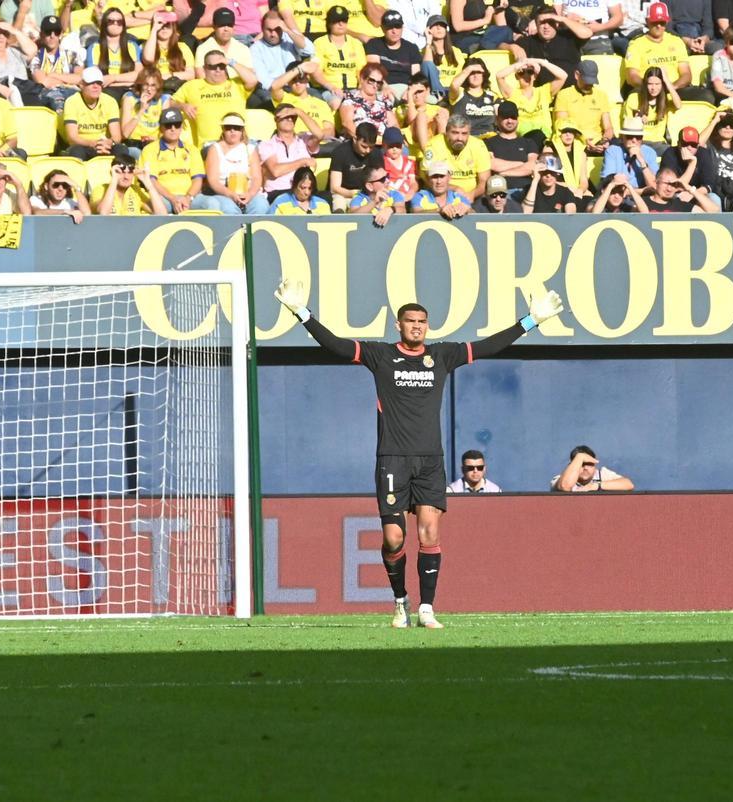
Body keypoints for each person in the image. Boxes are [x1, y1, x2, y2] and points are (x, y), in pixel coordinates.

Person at [271, 277, 566, 629]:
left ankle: (426, 608)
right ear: (399, 325)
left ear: (428, 325)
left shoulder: (441, 355)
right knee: (394, 537)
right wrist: (301, 312)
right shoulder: (381, 355)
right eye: (410, 321)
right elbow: (334, 345)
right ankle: (400, 601)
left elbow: (488, 347)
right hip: (393, 459)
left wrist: (530, 321)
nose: (417, 326)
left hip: (430, 461)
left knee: (430, 533)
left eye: (422, 322)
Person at [174, 51, 257, 147]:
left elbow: (253, 80)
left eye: (221, 66)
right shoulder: (192, 86)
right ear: (204, 68)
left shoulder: (236, 84)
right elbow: (170, 102)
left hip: (239, 143)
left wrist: (231, 62)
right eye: (213, 67)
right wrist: (182, 106)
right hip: (209, 144)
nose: (218, 69)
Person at [139, 107, 215, 212]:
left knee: (212, 204)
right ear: (161, 128)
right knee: (159, 207)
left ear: (181, 127)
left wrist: (188, 198)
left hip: (189, 197)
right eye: (168, 125)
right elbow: (152, 180)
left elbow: (197, 179)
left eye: (177, 124)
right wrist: (173, 199)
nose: (173, 128)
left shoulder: (192, 150)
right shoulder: (149, 150)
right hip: (164, 197)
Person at [623, 2, 702, 100]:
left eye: (662, 22)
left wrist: (671, 87)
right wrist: (652, 87)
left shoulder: (676, 41)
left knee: (706, 96)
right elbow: (632, 76)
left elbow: (686, 74)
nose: (659, 26)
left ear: (667, 22)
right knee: (634, 98)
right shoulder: (636, 44)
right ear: (647, 21)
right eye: (655, 22)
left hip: (674, 88)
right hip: (648, 90)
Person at [506, 7, 592, 89]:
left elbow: (587, 33)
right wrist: (512, 47)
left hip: (570, 93)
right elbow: (499, 45)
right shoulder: (528, 41)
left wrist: (563, 19)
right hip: (541, 95)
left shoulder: (568, 36)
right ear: (536, 24)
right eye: (542, 22)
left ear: (557, 23)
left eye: (551, 22)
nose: (546, 26)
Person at [203, 112, 269, 213]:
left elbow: (256, 178)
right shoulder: (215, 149)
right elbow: (213, 180)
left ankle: (254, 228)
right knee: (229, 208)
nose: (232, 131)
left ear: (242, 130)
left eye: (237, 128)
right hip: (223, 194)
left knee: (261, 205)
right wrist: (230, 194)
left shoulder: (250, 149)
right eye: (228, 127)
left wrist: (250, 194)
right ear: (223, 130)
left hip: (248, 193)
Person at [250, 9, 315, 107]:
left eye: (277, 29)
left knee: (318, 98)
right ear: (262, 29)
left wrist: (288, 30)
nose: (273, 34)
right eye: (269, 30)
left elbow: (309, 50)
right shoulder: (255, 49)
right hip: (273, 90)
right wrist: (283, 90)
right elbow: (265, 81)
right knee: (272, 101)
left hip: (297, 85)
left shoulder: (290, 38)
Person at [64, 67, 129, 160]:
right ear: (81, 85)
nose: (96, 86)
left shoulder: (110, 101)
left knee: (121, 149)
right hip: (83, 145)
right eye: (91, 83)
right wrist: (92, 143)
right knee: (76, 151)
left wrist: (109, 142)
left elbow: (117, 136)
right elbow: (72, 137)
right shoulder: (71, 102)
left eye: (99, 83)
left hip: (105, 145)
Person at [422, 114, 491, 200]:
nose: (459, 138)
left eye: (464, 133)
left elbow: (484, 180)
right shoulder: (434, 145)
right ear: (446, 132)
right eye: (455, 133)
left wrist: (471, 195)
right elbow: (427, 178)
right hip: (441, 195)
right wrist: (454, 189)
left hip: (473, 197)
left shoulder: (478, 145)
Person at [553, 59, 614, 154]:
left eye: (592, 81)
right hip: (574, 140)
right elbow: (563, 126)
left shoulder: (601, 95)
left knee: (617, 149)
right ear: (577, 75)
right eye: (586, 81)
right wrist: (584, 141)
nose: (589, 85)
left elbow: (608, 127)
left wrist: (605, 141)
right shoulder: (564, 95)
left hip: (598, 140)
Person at [496, 56, 567, 138]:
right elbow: (499, 76)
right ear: (516, 76)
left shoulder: (543, 91)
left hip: (544, 137)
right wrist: (517, 65)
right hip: (524, 138)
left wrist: (542, 62)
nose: (526, 75)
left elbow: (563, 76)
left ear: (535, 76)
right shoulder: (512, 93)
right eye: (521, 72)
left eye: (530, 72)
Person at [312, 5, 367, 105]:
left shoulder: (356, 43)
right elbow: (316, 72)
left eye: (344, 20)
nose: (341, 24)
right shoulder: (319, 43)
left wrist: (361, 87)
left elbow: (362, 70)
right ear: (329, 23)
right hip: (329, 89)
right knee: (336, 102)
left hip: (353, 88)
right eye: (336, 21)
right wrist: (331, 87)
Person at [29, 14, 84, 111]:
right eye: (48, 32)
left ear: (61, 34)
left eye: (56, 32)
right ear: (41, 34)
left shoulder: (72, 55)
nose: (52, 36)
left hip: (72, 93)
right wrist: (69, 80)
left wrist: (52, 75)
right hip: (48, 95)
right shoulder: (36, 56)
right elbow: (42, 81)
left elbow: (80, 79)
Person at [270, 60, 337, 138]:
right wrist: (300, 69)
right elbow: (274, 86)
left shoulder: (321, 104)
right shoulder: (283, 98)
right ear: (288, 82)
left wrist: (311, 138)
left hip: (318, 144)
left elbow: (330, 131)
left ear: (307, 78)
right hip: (294, 144)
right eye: (293, 80)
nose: (297, 83)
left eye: (301, 79)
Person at [87, 6, 142, 101]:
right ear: (104, 24)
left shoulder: (132, 46)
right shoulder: (94, 47)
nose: (115, 24)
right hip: (106, 91)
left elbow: (139, 75)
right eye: (111, 21)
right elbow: (95, 78)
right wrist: (126, 80)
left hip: (130, 90)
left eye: (119, 21)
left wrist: (113, 78)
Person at [364, 9, 422, 97]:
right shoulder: (374, 44)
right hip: (383, 86)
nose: (394, 31)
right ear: (382, 28)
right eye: (389, 27)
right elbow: (374, 71)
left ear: (402, 28)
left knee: (432, 101)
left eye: (397, 27)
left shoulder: (412, 48)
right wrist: (384, 86)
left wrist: (410, 90)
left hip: (408, 88)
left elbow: (416, 76)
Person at [623, 66, 681, 150]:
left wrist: (667, 81)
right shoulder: (634, 98)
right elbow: (626, 124)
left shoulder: (665, 100)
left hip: (658, 143)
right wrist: (637, 120)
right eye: (650, 84)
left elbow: (678, 105)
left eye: (657, 84)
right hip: (639, 142)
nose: (653, 88)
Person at [329, 121, 384, 210]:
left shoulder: (376, 154)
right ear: (355, 139)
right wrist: (353, 193)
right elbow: (334, 188)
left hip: (367, 195)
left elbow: (381, 181)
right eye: (364, 146)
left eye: (371, 147)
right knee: (339, 202)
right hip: (343, 194)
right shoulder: (340, 152)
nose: (368, 151)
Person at [94, 153, 166, 214]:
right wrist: (114, 180)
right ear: (113, 173)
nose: (126, 177)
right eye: (121, 172)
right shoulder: (100, 189)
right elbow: (103, 213)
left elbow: (162, 214)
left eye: (129, 172)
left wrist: (148, 183)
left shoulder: (137, 191)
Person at [120, 65, 171, 153]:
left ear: (158, 87)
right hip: (133, 144)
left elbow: (166, 132)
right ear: (140, 85)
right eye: (146, 85)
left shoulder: (163, 100)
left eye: (153, 85)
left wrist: (155, 139)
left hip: (155, 144)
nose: (149, 89)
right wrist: (141, 109)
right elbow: (125, 133)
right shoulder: (129, 99)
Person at [600, 116, 659, 189]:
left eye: (638, 137)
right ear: (622, 137)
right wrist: (639, 192)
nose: (634, 140)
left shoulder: (649, 152)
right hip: (618, 195)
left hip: (643, 197)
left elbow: (655, 187)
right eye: (629, 136)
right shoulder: (612, 151)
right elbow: (608, 185)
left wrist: (642, 161)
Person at [193, 8, 256, 77]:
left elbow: (250, 75)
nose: (226, 29)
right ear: (214, 26)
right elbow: (200, 75)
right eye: (221, 25)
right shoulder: (203, 48)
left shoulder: (243, 48)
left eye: (229, 25)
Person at [340, 62, 398, 137]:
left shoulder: (383, 101)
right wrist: (367, 141)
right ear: (362, 78)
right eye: (372, 81)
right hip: (360, 142)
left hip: (384, 143)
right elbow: (347, 123)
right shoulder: (350, 99)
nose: (375, 86)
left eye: (378, 83)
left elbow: (394, 125)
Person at [143, 11, 195, 86]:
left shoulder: (182, 47)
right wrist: (154, 29)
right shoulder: (146, 46)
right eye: (160, 25)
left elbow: (190, 74)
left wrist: (168, 76)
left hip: (176, 86)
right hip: (154, 86)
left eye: (168, 25)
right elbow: (148, 59)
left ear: (173, 27)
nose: (164, 28)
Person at [551, 445, 633, 492]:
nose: (586, 468)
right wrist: (580, 457)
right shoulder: (561, 479)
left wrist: (595, 486)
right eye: (582, 464)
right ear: (571, 465)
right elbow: (565, 486)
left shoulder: (602, 474)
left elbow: (629, 484)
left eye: (589, 464)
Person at [448, 59, 497, 138]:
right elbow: (454, 85)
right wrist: (469, 68)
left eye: (479, 72)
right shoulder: (460, 93)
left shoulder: (492, 95)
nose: (475, 76)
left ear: (484, 75)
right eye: (472, 73)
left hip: (490, 138)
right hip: (466, 138)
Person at [421, 15, 467, 98]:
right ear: (428, 30)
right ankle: (439, 94)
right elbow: (427, 67)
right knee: (428, 64)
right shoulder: (425, 51)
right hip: (433, 92)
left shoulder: (456, 51)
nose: (439, 28)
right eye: (435, 25)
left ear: (446, 30)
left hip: (453, 90)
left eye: (442, 25)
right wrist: (428, 42)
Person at [644, 165, 719, 210]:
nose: (669, 189)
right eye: (666, 183)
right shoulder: (643, 203)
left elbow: (714, 211)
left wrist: (689, 189)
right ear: (656, 183)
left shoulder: (680, 205)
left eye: (674, 185)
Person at [381, 125, 418, 198]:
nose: (394, 149)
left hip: (408, 196)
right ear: (384, 145)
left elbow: (413, 182)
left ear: (403, 145)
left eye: (398, 146)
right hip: (391, 197)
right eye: (391, 146)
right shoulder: (382, 163)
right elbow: (383, 185)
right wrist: (399, 195)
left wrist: (411, 192)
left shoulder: (409, 162)